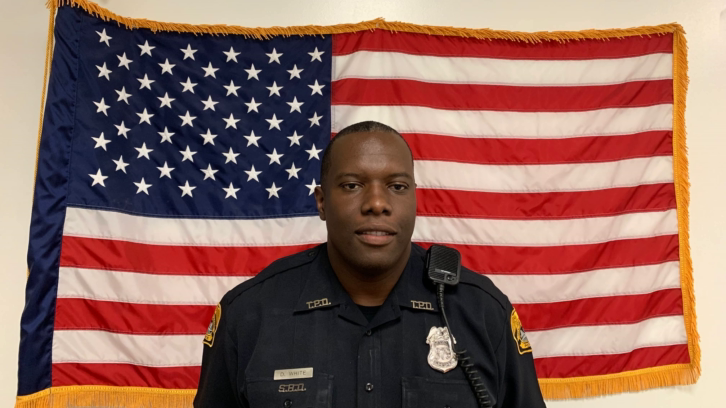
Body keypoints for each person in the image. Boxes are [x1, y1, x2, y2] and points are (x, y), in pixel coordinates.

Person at [194, 121, 546, 408]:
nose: (377, 203)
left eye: (396, 186)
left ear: (414, 200)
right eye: (351, 185)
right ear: (321, 202)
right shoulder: (252, 313)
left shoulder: (480, 311)